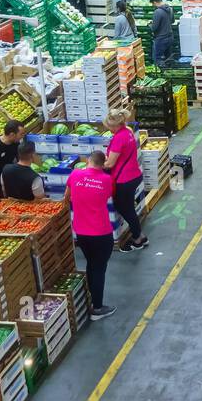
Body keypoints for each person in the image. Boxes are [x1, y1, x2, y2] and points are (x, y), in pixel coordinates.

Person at [64, 151, 117, 320]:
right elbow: (108, 195)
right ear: (103, 164)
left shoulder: (75, 174)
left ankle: (91, 299)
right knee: (99, 268)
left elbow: (67, 197)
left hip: (81, 232)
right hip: (101, 233)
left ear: (88, 161)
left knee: (90, 264)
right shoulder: (107, 180)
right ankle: (98, 308)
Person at [105, 109, 148, 251]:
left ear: (116, 126)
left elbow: (110, 164)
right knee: (129, 207)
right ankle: (141, 235)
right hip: (134, 175)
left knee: (125, 209)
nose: (109, 129)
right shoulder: (128, 131)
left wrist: (94, 166)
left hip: (123, 179)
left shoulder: (118, 138)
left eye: (110, 127)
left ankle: (137, 239)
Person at [0, 120, 24, 201]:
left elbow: (21, 161)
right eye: (21, 134)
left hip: (9, 180)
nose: (23, 136)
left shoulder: (16, 143)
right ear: (12, 135)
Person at [150, 0, 174, 67]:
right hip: (170, 36)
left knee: (158, 58)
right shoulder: (170, 9)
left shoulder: (158, 12)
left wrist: (150, 25)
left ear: (154, 2)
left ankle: (161, 75)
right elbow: (172, 21)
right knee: (168, 58)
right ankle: (169, 73)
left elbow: (154, 28)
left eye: (153, 4)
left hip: (161, 38)